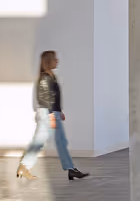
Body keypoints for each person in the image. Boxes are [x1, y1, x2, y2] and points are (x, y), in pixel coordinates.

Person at [16, 51, 89, 181]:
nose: (57, 61)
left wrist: (59, 111)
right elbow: (44, 98)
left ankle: (71, 169)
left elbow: (53, 97)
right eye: (55, 59)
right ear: (49, 61)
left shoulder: (50, 76)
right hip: (47, 113)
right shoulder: (45, 78)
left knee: (61, 142)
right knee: (39, 142)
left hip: (51, 112)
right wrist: (51, 115)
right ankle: (24, 166)